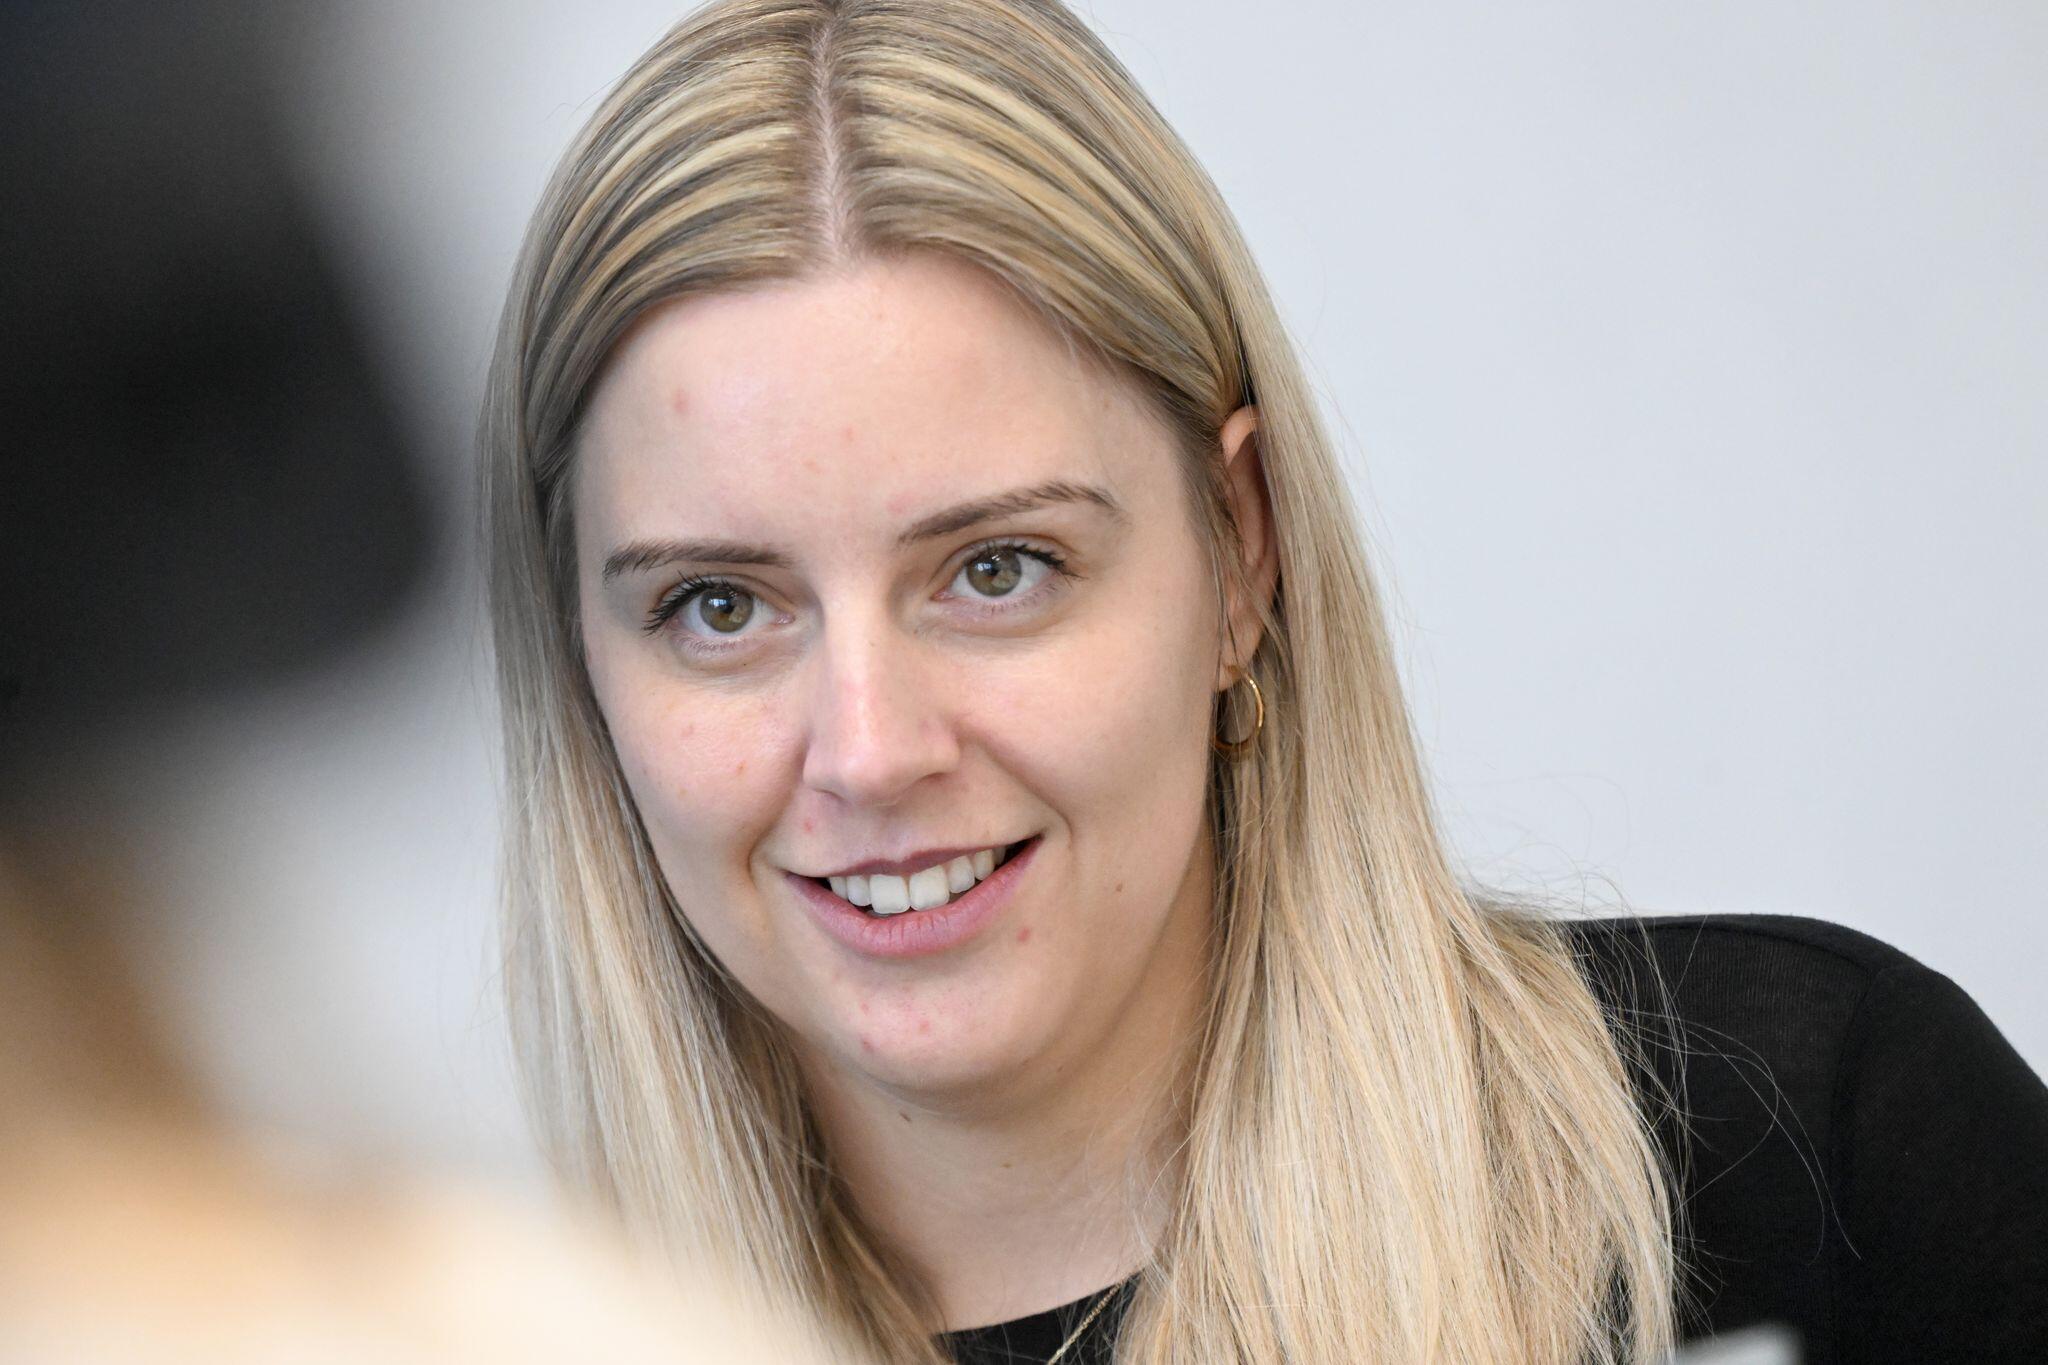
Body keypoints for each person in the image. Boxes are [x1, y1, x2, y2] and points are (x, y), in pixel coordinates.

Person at [479, 2, 2048, 1361]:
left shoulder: (1815, 1156)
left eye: (998, 569)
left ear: (1241, 550)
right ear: (579, 662)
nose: (871, 749)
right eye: (717, 606)